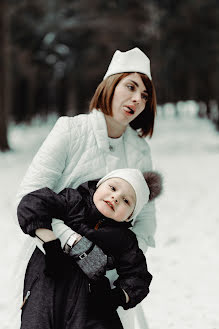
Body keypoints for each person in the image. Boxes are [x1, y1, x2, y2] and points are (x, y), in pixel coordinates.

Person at [15, 47, 157, 329]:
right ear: (110, 84)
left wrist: (116, 262)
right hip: (50, 260)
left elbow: (145, 224)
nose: (137, 99)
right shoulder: (70, 130)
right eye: (130, 87)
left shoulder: (140, 150)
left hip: (105, 280)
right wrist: (75, 245)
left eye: (144, 95)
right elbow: (29, 195)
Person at [17, 168, 162, 328]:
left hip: (88, 300)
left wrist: (116, 297)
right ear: (99, 185)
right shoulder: (73, 201)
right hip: (48, 279)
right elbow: (32, 203)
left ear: (129, 216)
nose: (115, 198)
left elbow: (138, 276)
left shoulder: (124, 240)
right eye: (113, 188)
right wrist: (51, 244)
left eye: (126, 201)